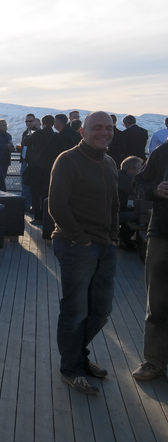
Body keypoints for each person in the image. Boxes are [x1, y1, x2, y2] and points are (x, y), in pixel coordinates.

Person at [48, 111, 118, 395]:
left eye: (109, 127)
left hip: (105, 246)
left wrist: (113, 237)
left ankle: (78, 357)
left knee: (100, 310)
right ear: (83, 131)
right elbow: (56, 205)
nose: (104, 132)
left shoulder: (110, 162)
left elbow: (114, 203)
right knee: (76, 310)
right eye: (97, 128)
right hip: (76, 244)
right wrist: (81, 239)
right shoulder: (67, 160)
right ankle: (71, 368)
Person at [132, 142, 168, 381]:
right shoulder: (163, 152)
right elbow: (138, 184)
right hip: (162, 235)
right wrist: (156, 189)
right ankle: (154, 361)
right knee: (156, 300)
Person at [22, 115, 59, 224]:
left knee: (35, 192)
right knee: (46, 193)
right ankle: (46, 216)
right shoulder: (56, 136)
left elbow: (25, 142)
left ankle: (37, 217)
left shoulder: (38, 134)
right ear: (53, 123)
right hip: (50, 168)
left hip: (36, 167)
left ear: (42, 123)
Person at [117, 156, 143, 249]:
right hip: (116, 212)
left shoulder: (120, 175)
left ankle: (125, 239)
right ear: (131, 169)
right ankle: (125, 240)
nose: (141, 171)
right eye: (140, 168)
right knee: (139, 216)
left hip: (120, 209)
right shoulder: (123, 179)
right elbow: (135, 191)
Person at [19, 114, 37, 211]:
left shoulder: (36, 133)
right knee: (24, 183)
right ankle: (25, 205)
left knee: (27, 184)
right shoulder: (25, 132)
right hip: (25, 161)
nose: (28, 123)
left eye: (30, 121)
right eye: (27, 121)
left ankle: (27, 205)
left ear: (34, 121)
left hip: (31, 162)